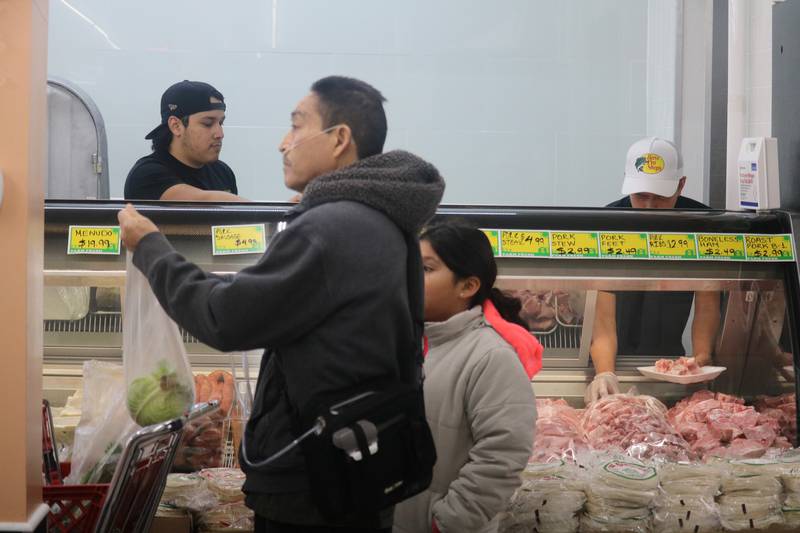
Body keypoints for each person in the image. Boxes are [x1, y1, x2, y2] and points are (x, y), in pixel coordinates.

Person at [117, 76, 446, 532]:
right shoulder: (385, 219)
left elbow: (223, 318)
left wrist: (150, 248)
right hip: (360, 462)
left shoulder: (330, 226)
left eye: (296, 126)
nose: (282, 143)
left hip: (313, 479)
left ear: (339, 140)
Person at [393, 222, 540, 533]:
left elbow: (503, 455)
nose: (408, 277)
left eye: (425, 268)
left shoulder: (491, 356)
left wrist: (445, 522)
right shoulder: (407, 342)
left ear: (467, 286)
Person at [586, 137, 721, 403]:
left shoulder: (703, 225)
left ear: (681, 185)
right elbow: (602, 317)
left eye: (660, 197)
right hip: (613, 361)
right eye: (641, 196)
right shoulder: (607, 225)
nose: (649, 206)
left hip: (670, 365)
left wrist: (701, 360)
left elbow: (708, 301)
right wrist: (605, 374)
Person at [124, 80, 244, 201]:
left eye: (221, 123)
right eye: (208, 123)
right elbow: (201, 203)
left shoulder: (222, 172)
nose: (220, 134)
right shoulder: (146, 175)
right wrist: (259, 212)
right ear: (176, 126)